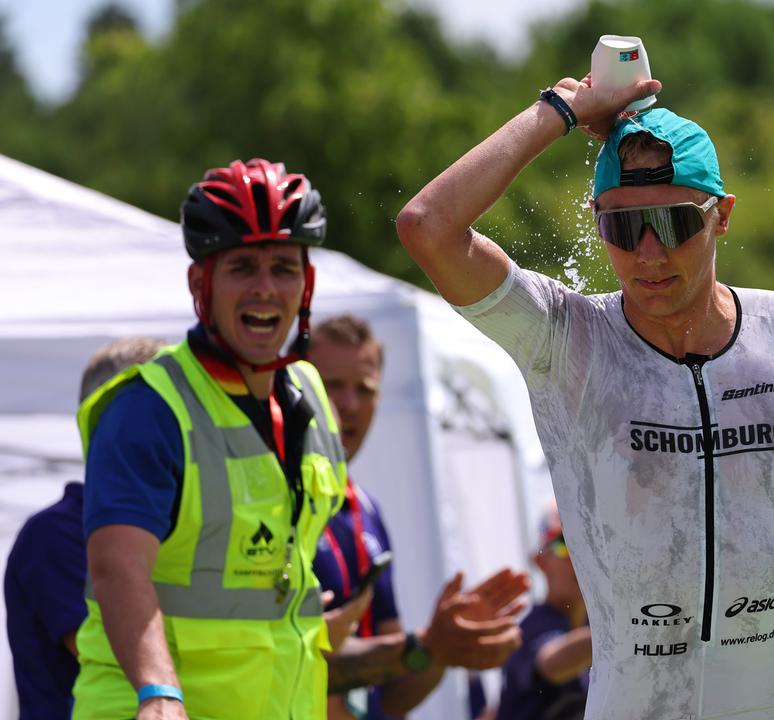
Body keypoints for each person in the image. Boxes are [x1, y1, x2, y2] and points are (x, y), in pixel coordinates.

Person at [395, 69, 774, 719]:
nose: (649, 252)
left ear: (722, 215)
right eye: (624, 229)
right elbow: (427, 225)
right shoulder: (567, 339)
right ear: (598, 223)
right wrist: (560, 110)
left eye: (674, 222)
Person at [72, 158, 525, 720]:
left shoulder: (309, 398)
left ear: (306, 283)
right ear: (199, 285)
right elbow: (118, 566)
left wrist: (427, 648)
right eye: (242, 267)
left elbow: (280, 625)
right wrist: (158, 691)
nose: (265, 288)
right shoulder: (147, 407)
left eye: (284, 268)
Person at [309, 313, 531, 719]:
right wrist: (426, 645)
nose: (349, 405)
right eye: (332, 386)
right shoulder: (277, 500)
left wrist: (444, 649)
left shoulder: (366, 510)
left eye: (364, 389)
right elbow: (293, 663)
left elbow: (393, 695)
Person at [4, 337, 165, 719]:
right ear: (110, 423)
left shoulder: (170, 529)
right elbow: (118, 652)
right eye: (163, 414)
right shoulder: (55, 535)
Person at [495, 507, 591, 720]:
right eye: (566, 544)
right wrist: (629, 631)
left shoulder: (592, 627)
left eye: (592, 542)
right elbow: (552, 664)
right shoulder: (530, 628)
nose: (582, 557)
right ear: (541, 561)